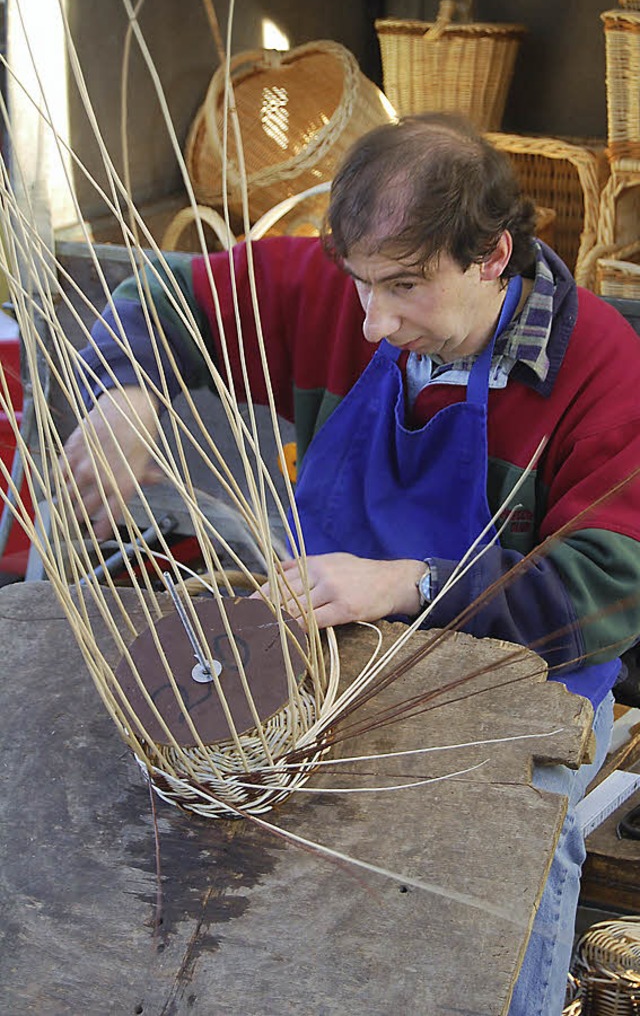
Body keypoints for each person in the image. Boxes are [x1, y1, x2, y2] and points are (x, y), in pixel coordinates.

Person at [64, 112, 640, 1015]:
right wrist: (129, 389)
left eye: (406, 287)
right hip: (324, 663)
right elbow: (160, 298)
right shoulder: (352, 292)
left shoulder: (600, 367)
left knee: (491, 910)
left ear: (491, 256)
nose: (372, 321)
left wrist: (411, 582)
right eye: (362, 284)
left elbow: (604, 594)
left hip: (518, 706)